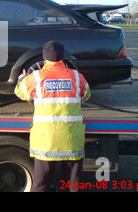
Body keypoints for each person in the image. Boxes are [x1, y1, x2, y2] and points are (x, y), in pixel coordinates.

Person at [14, 40, 91, 192]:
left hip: (46, 142)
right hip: (71, 141)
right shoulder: (76, 77)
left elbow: (20, 92)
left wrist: (22, 80)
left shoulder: (36, 78)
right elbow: (86, 95)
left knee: (41, 186)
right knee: (75, 187)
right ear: (62, 57)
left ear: (45, 57)